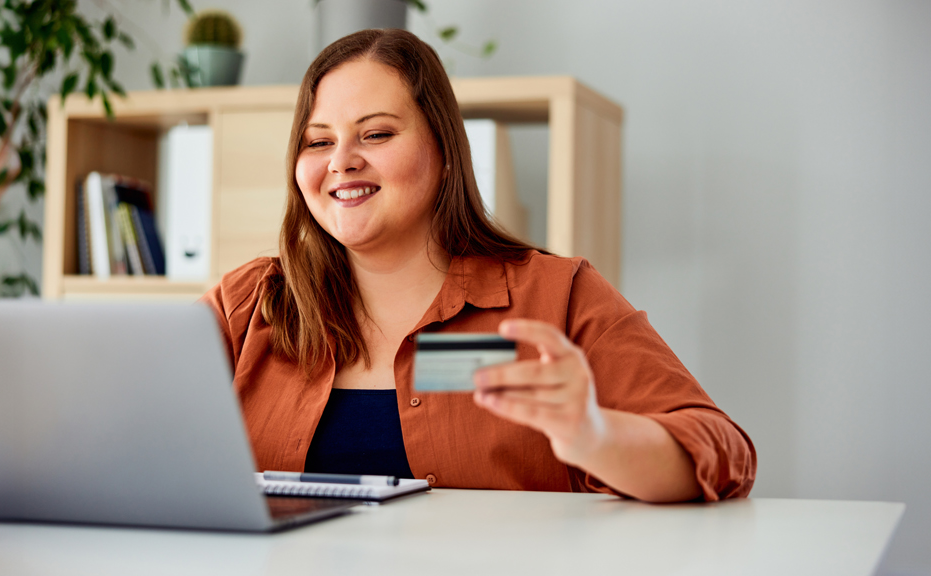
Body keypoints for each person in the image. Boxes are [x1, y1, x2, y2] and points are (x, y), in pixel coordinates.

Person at [204, 29, 754, 503]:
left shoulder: (556, 297)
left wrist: (594, 434)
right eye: (318, 141)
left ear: (444, 152)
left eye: (376, 134)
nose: (341, 160)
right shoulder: (247, 304)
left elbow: (720, 450)